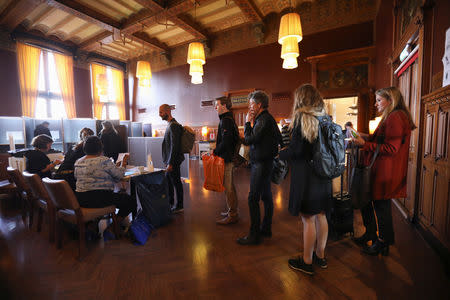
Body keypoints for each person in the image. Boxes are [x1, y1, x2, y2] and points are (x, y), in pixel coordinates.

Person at [351, 86, 415, 256]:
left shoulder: (395, 117)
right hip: (382, 170)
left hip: (385, 171)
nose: (376, 104)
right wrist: (362, 136)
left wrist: (364, 144)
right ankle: (372, 234)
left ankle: (383, 241)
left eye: (379, 100)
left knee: (381, 207)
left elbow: (391, 148)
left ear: (390, 100)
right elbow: (381, 140)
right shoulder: (393, 116)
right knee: (371, 203)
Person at [279, 84, 331, 275]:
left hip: (307, 177)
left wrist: (281, 154)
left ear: (300, 99)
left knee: (308, 218)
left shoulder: (302, 118)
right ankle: (321, 256)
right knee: (322, 215)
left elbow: (298, 151)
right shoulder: (325, 118)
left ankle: (307, 262)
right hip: (323, 174)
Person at [237, 90, 282, 245]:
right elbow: (280, 138)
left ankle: (254, 235)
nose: (250, 107)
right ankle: (266, 228)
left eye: (251, 104)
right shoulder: (268, 118)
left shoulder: (262, 119)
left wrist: (247, 124)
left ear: (259, 104)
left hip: (261, 164)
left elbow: (250, 140)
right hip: (267, 162)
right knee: (267, 196)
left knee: (253, 198)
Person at [74, 136, 136, 236]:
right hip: (99, 198)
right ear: (100, 148)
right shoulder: (104, 160)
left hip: (81, 199)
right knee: (130, 201)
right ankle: (113, 227)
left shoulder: (78, 161)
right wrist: (124, 163)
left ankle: (92, 226)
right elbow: (119, 176)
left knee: (114, 196)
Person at [213, 96, 239, 225]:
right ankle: (232, 210)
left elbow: (226, 141)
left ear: (223, 106)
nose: (215, 107)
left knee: (228, 187)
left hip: (227, 159)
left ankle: (233, 214)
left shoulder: (226, 121)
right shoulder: (228, 119)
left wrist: (215, 151)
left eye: (217, 105)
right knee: (230, 186)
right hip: (228, 158)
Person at [159, 104, 185, 213]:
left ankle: (179, 206)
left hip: (173, 161)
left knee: (176, 183)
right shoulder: (170, 124)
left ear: (167, 112)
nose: (159, 114)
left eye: (161, 112)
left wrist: (170, 163)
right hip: (170, 161)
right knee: (170, 183)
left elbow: (175, 146)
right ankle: (170, 204)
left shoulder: (174, 125)